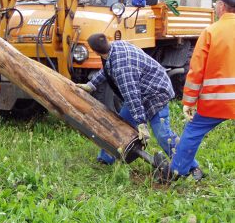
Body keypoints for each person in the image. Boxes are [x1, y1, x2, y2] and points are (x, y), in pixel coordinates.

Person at [77, 33, 202, 180]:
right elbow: (107, 69)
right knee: (118, 127)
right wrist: (91, 85)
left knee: (163, 134)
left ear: (95, 51)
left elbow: (132, 96)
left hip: (156, 93)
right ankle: (105, 160)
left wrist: (141, 124)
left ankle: (193, 167)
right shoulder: (114, 47)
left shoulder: (122, 68)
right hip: (143, 90)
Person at [164, 0, 235, 182]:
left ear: (221, 6)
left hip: (218, 100)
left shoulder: (211, 31)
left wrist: (189, 101)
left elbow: (196, 71)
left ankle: (176, 171)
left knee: (193, 131)